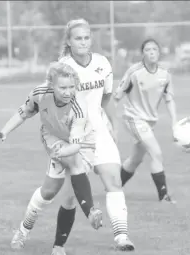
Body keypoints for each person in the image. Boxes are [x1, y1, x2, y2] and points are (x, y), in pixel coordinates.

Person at [0, 62, 103, 250]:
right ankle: (23, 231)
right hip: (53, 136)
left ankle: (59, 246)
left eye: (72, 87)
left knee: (69, 197)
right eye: (63, 88)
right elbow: (24, 112)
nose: (68, 92)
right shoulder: (40, 94)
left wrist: (63, 152)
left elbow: (75, 146)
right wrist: (4, 131)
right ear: (51, 85)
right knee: (48, 192)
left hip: (82, 143)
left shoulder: (78, 108)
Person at [50, 18, 135, 255]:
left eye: (87, 37)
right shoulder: (62, 67)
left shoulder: (102, 63)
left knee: (114, 181)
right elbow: (52, 103)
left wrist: (114, 126)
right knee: (69, 198)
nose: (84, 42)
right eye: (78, 38)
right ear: (69, 41)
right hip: (74, 137)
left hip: (100, 131)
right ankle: (59, 245)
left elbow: (106, 97)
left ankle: (122, 237)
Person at [114, 38, 177, 203]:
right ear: (143, 53)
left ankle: (113, 188)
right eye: (148, 50)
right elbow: (117, 96)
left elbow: (169, 99)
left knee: (135, 159)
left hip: (149, 122)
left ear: (159, 52)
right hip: (133, 118)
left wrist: (175, 123)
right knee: (156, 153)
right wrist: (108, 120)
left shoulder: (165, 73)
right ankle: (163, 196)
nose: (151, 52)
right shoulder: (134, 72)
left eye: (154, 49)